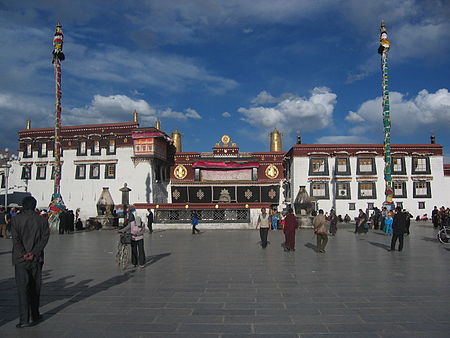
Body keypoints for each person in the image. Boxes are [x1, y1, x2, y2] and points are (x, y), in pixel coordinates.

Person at [11, 196, 50, 328]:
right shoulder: (42, 220)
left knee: (22, 289)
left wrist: (23, 253)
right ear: (34, 205)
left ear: (23, 205)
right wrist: (34, 253)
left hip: (20, 259)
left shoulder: (16, 220)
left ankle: (24, 319)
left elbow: (15, 240)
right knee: (35, 287)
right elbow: (44, 239)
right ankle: (35, 313)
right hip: (36, 259)